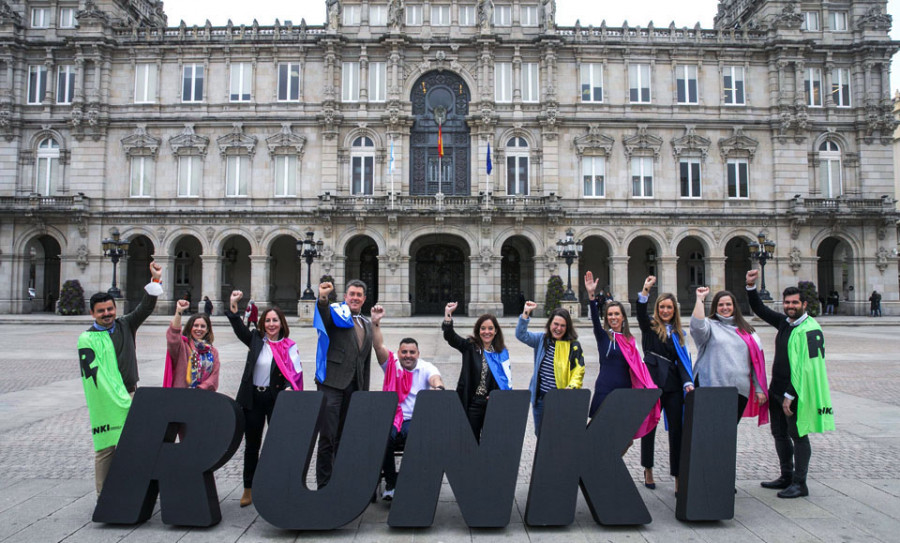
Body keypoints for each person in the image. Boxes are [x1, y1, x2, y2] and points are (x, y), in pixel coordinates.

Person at [746, 270, 834, 498]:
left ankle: (800, 482)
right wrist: (750, 286)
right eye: (787, 302)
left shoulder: (810, 329)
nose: (790, 306)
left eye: (795, 302)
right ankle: (786, 475)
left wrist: (791, 394)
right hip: (777, 389)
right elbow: (760, 310)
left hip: (795, 393)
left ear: (804, 304)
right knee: (780, 434)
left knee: (798, 434)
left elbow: (808, 367)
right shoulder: (786, 323)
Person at [78, 261, 163, 496]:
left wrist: (155, 279)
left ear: (115, 309)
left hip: (130, 392)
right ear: (92, 313)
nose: (107, 314)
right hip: (105, 399)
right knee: (106, 447)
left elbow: (145, 307)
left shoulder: (125, 325)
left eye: (110, 309)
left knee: (134, 443)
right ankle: (103, 495)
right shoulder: (88, 338)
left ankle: (132, 491)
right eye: (101, 311)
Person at [226, 290, 302, 508]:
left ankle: (278, 485)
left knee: (277, 444)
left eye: (274, 320)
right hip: (253, 399)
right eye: (267, 321)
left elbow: (295, 373)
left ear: (281, 323)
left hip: (275, 398)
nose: (271, 324)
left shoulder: (289, 346)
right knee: (252, 444)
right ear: (262, 324)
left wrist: (289, 388)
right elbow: (239, 329)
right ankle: (248, 488)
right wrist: (234, 306)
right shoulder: (256, 341)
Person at [370, 304, 445, 500]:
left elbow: (435, 379)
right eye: (404, 352)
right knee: (383, 437)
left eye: (412, 352)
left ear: (418, 354)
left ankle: (413, 481)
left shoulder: (426, 367)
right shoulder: (391, 364)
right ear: (398, 353)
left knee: (417, 438)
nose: (408, 356)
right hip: (392, 417)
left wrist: (438, 388)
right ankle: (391, 484)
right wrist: (375, 323)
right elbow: (378, 346)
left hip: (413, 419)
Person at [584, 271, 660, 437]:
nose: (613, 317)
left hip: (624, 391)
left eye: (616, 314)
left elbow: (638, 367)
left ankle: (607, 462)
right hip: (604, 390)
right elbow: (595, 319)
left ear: (623, 317)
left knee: (623, 438)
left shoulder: (630, 340)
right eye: (610, 314)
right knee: (596, 433)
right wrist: (591, 295)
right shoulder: (603, 336)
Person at [313, 279, 373, 488]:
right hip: (332, 383)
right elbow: (324, 317)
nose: (355, 298)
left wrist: (363, 391)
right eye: (352, 294)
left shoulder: (366, 323)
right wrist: (323, 298)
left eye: (359, 295)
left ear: (364, 299)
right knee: (327, 436)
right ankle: (323, 482)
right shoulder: (336, 313)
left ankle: (340, 479)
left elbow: (365, 361)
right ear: (346, 296)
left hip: (354, 387)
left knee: (345, 435)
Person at [636, 276, 694, 491]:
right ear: (657, 308)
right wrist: (645, 290)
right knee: (649, 428)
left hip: (673, 386)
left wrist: (687, 381)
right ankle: (648, 469)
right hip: (652, 383)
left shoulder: (679, 333)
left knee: (677, 431)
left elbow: (681, 362)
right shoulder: (650, 327)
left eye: (669, 307)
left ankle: (678, 475)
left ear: (674, 310)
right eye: (662, 307)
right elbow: (641, 312)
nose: (665, 311)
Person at [690, 287, 768, 425]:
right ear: (715, 307)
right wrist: (700, 299)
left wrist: (759, 388)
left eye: (728, 304)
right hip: (711, 388)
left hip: (738, 391)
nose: (725, 307)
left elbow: (755, 363)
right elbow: (697, 327)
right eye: (720, 305)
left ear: (734, 306)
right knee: (710, 430)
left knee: (728, 433)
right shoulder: (709, 325)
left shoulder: (748, 331)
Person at [443, 302, 512, 440]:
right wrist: (448, 315)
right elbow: (451, 337)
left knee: (490, 442)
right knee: (470, 442)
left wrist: (498, 396)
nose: (487, 332)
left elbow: (505, 380)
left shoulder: (501, 353)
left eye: (490, 328)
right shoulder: (470, 347)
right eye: (483, 328)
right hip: (473, 403)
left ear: (496, 331)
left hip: (492, 404)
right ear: (478, 330)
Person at [515, 301, 584, 435]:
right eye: (556, 324)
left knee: (558, 435)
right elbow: (521, 335)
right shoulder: (542, 339)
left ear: (567, 327)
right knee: (540, 434)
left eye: (562, 325)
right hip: (540, 399)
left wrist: (572, 387)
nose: (558, 328)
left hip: (560, 399)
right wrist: (526, 313)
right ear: (550, 324)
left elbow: (578, 370)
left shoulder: (573, 345)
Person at [164, 299, 219, 391]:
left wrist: (200, 389)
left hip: (203, 396)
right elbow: (173, 336)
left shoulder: (213, 351)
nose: (199, 329)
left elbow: (214, 376)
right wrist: (179, 311)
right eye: (195, 325)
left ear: (207, 330)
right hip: (181, 395)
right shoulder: (183, 347)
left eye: (203, 326)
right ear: (190, 327)